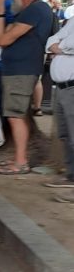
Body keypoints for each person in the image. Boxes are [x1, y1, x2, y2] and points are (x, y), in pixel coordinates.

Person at [0, 0, 52, 174]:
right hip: (19, 70)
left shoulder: (35, 10)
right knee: (19, 115)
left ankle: (20, 162)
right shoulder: (30, 11)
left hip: (21, 71)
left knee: (15, 116)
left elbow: (1, 39)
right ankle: (20, 158)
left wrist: (0, 12)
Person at [44, 18, 74, 193]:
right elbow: (50, 41)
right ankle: (71, 175)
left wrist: (60, 47)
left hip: (72, 88)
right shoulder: (72, 21)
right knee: (65, 134)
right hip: (62, 88)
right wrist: (60, 47)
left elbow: (69, 43)